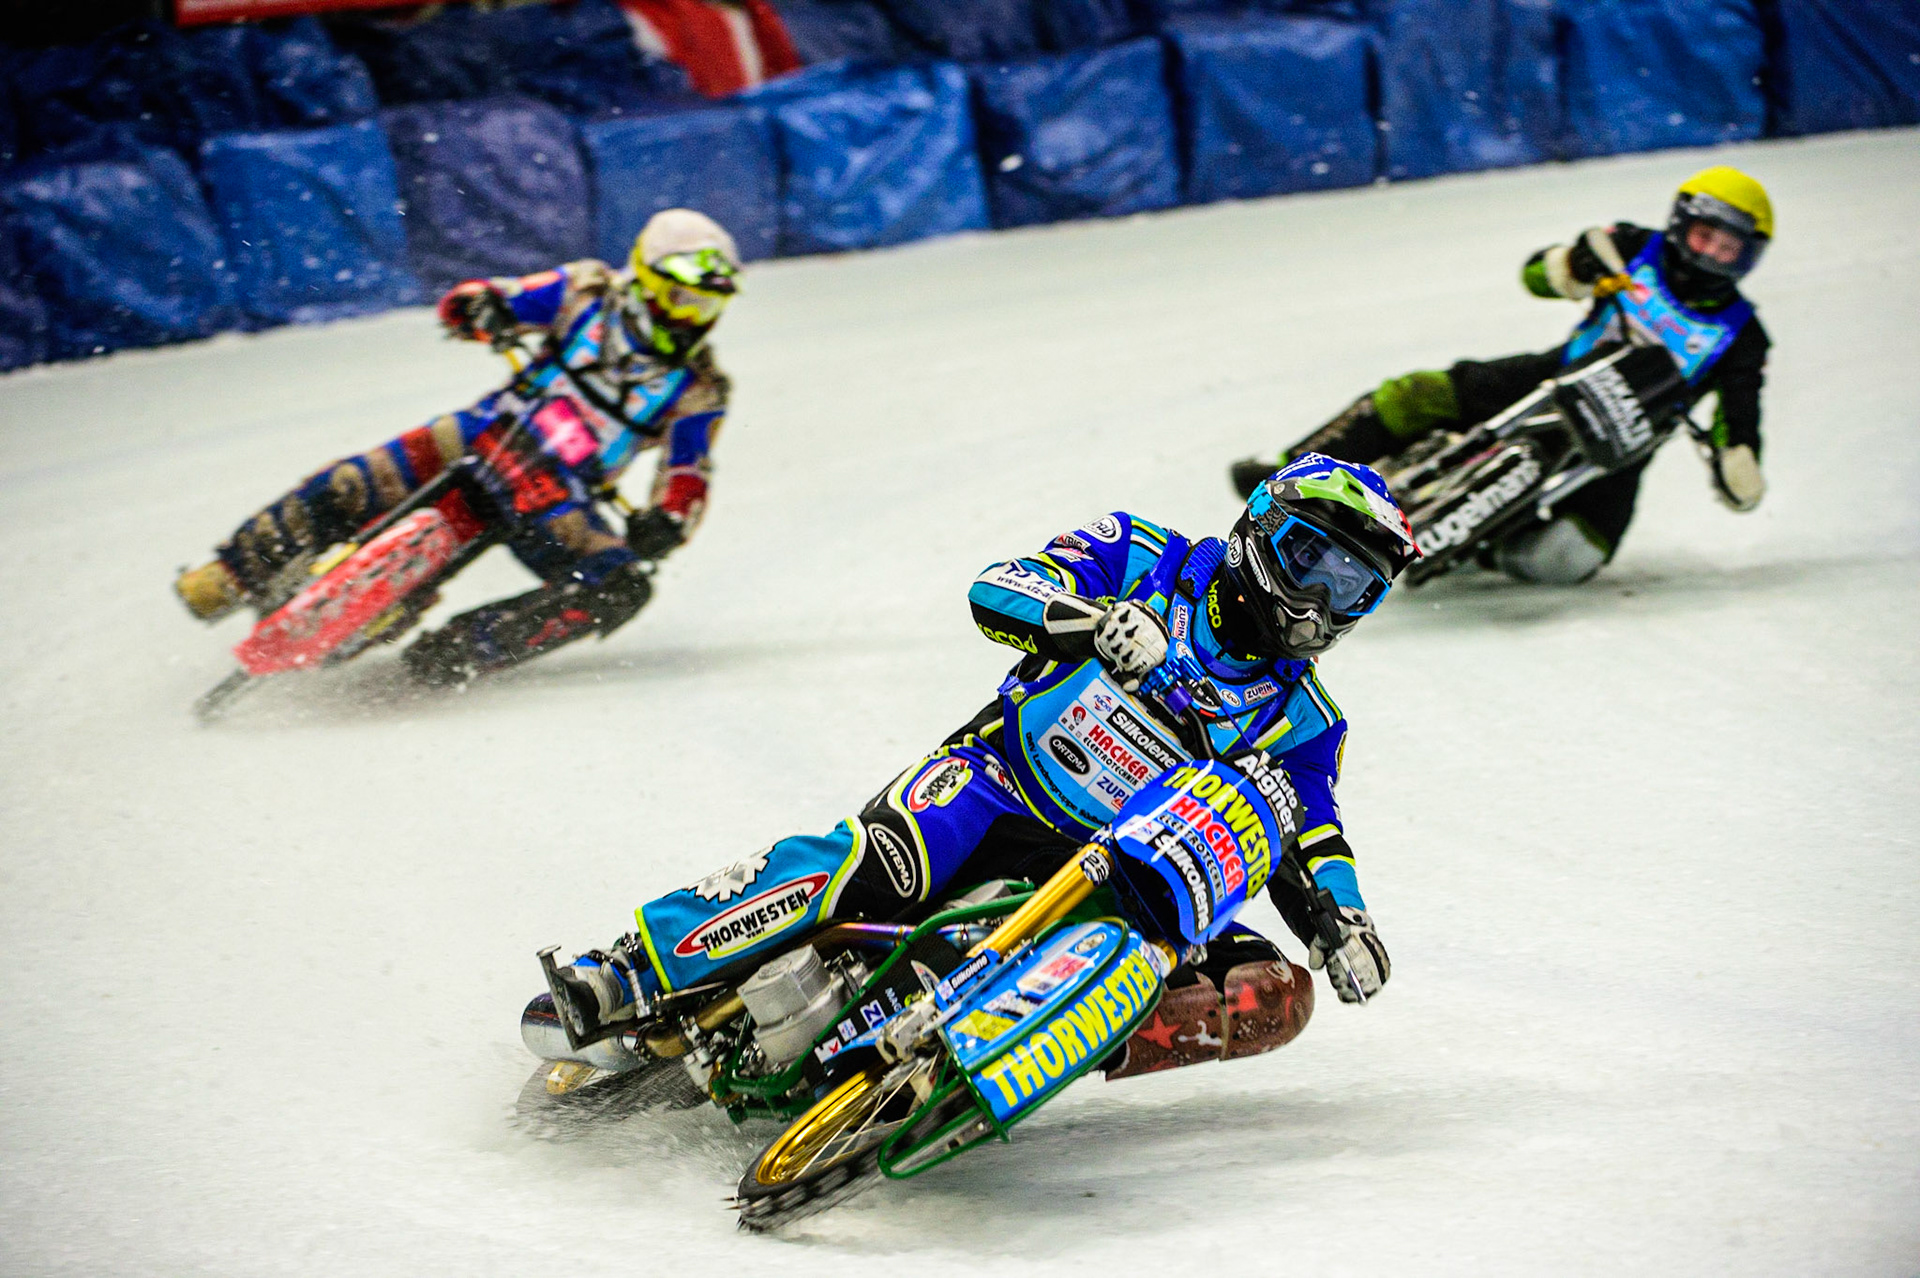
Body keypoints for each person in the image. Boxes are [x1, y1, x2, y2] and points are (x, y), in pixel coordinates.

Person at [545, 454, 1421, 1075]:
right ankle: (628, 967)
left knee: (1266, 991)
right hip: (997, 782)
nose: (1318, 604)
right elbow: (997, 586)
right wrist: (1090, 623)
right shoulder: (1147, 552)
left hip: (1121, 872)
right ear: (1260, 530)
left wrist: (1344, 922)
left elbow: (1311, 830)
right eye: (1313, 561)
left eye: (1354, 588)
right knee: (869, 869)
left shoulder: (1307, 719)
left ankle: (1026, 1055)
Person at [172, 208, 741, 685]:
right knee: (354, 482)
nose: (689, 319)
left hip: (558, 498)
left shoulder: (699, 387)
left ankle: (453, 656)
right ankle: (236, 572)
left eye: (706, 308)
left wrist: (666, 522)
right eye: (680, 297)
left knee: (620, 585)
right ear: (643, 276)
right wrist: (479, 308)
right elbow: (499, 296)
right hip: (483, 434)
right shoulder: (585, 290)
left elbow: (689, 471)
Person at [1229, 166, 1774, 585]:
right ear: (1682, 224)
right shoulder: (1634, 247)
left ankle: (1489, 544)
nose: (1712, 256)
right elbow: (1537, 274)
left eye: (1729, 250)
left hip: (1619, 450)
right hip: (1550, 378)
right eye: (1706, 237)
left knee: (1569, 558)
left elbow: (1738, 413)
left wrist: (1738, 460)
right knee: (1415, 397)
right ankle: (1286, 472)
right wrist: (1572, 268)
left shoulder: (1742, 335)